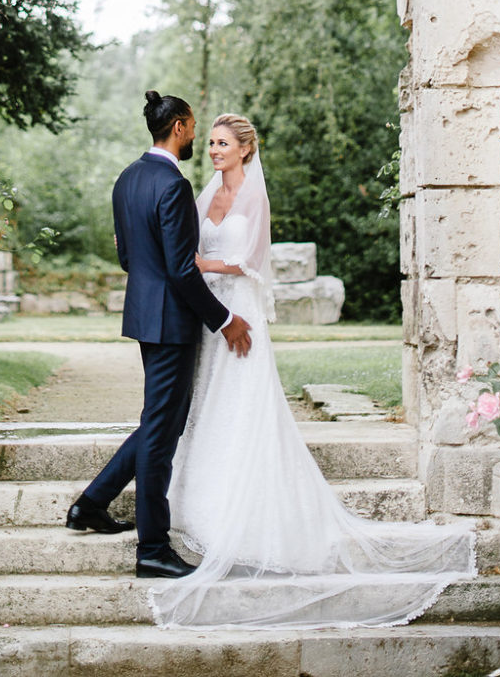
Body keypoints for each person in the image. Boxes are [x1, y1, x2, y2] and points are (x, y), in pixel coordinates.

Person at [147, 113, 477, 628]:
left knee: (241, 405)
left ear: (245, 150)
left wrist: (202, 268)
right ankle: (197, 504)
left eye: (223, 144)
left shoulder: (255, 198)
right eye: (209, 142)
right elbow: (182, 248)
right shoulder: (201, 196)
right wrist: (194, 272)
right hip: (206, 316)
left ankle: (246, 510)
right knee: (204, 406)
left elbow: (253, 261)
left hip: (239, 312)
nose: (213, 151)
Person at [65, 91, 253, 579]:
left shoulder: (127, 178)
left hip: (146, 317)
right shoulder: (173, 185)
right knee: (162, 434)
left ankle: (91, 504)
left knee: (159, 422)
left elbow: (129, 257)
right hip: (172, 323)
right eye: (193, 129)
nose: (197, 138)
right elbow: (181, 270)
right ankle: (152, 548)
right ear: (180, 126)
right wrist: (225, 319)